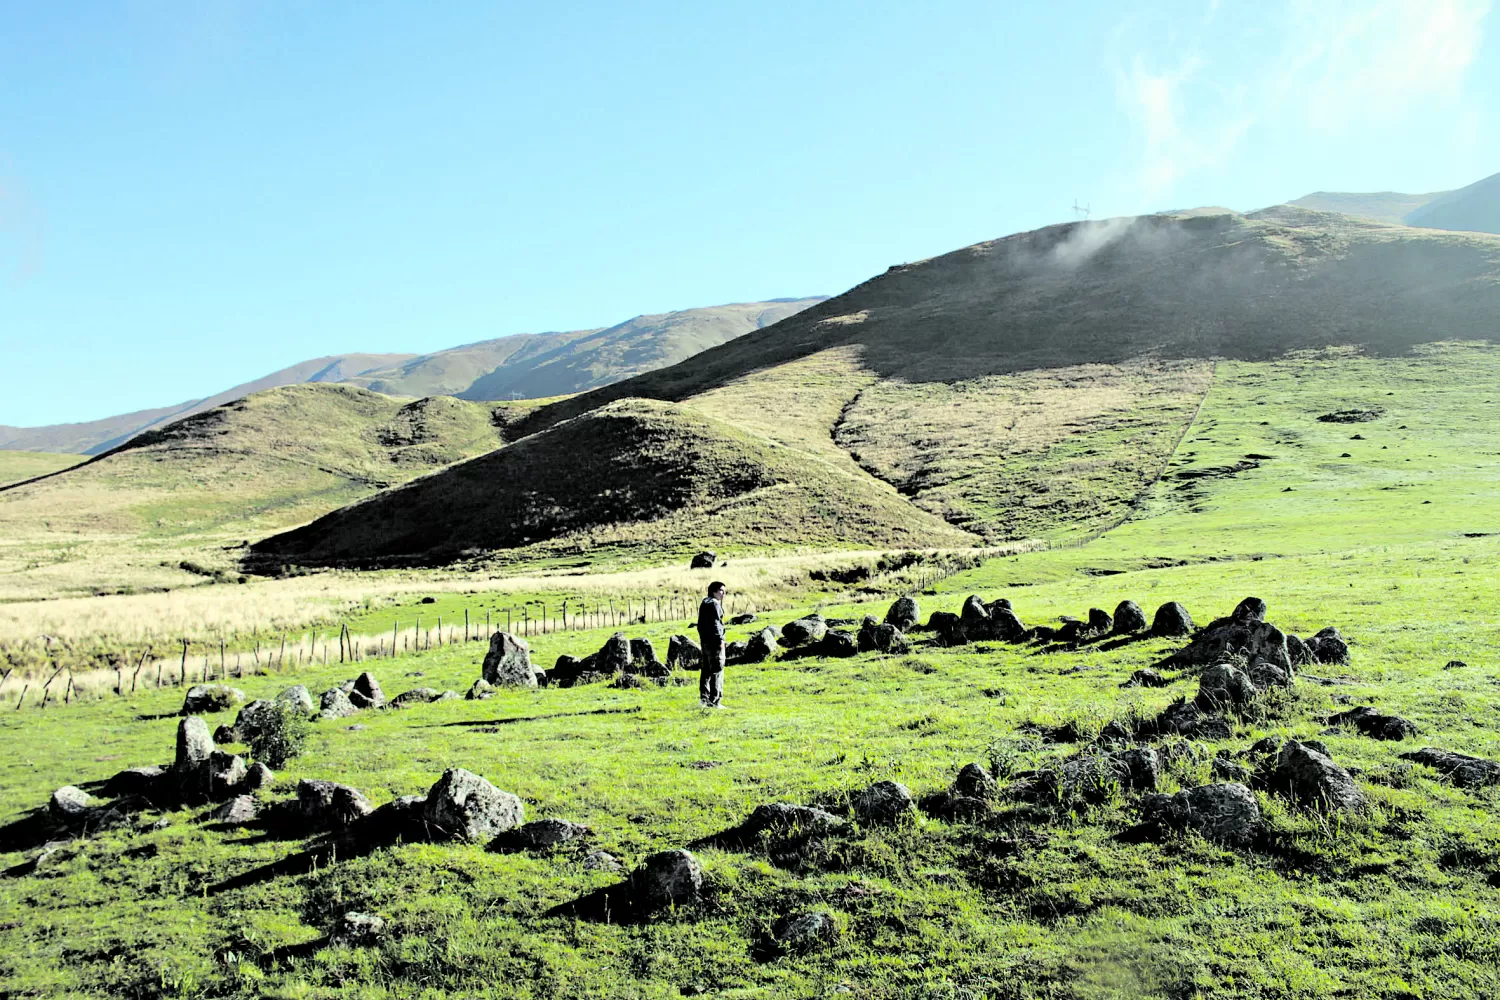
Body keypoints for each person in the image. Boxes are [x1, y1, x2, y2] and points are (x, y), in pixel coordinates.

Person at [696, 581, 727, 708]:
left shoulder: (704, 602)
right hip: (715, 643)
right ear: (714, 591)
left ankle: (704, 699)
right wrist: (720, 640)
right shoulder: (715, 604)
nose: (723, 594)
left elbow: (700, 624)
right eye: (721, 591)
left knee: (706, 671)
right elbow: (716, 624)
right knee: (717, 670)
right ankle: (715, 701)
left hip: (705, 642)